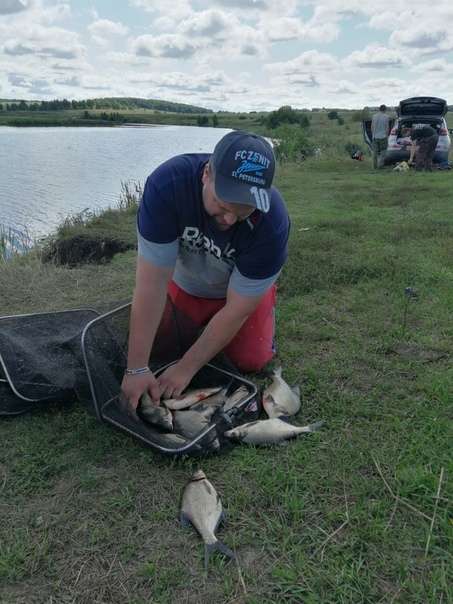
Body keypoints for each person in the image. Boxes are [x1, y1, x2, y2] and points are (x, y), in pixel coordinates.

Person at [121, 130, 290, 410]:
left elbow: (238, 309)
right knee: (158, 351)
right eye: (223, 206)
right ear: (206, 174)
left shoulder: (272, 222)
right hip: (186, 283)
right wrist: (136, 368)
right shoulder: (167, 186)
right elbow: (151, 284)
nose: (230, 220)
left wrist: (187, 368)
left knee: (250, 361)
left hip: (237, 293)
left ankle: (263, 315)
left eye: (244, 212)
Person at [371, 104, 390, 169]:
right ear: (385, 109)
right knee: (383, 151)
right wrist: (387, 136)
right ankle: (381, 165)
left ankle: (374, 165)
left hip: (375, 136)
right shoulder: (387, 117)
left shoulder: (374, 116)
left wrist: (373, 135)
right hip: (383, 136)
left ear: (379, 109)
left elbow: (372, 127)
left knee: (375, 152)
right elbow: (387, 127)